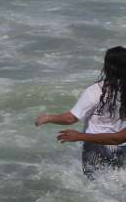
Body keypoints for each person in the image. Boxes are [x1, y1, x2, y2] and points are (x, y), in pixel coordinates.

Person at [35, 46, 126, 177]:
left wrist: (48, 117)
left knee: (93, 183)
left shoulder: (95, 91)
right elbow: (118, 138)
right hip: (121, 147)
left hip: (95, 145)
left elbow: (70, 118)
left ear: (107, 67)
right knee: (115, 183)